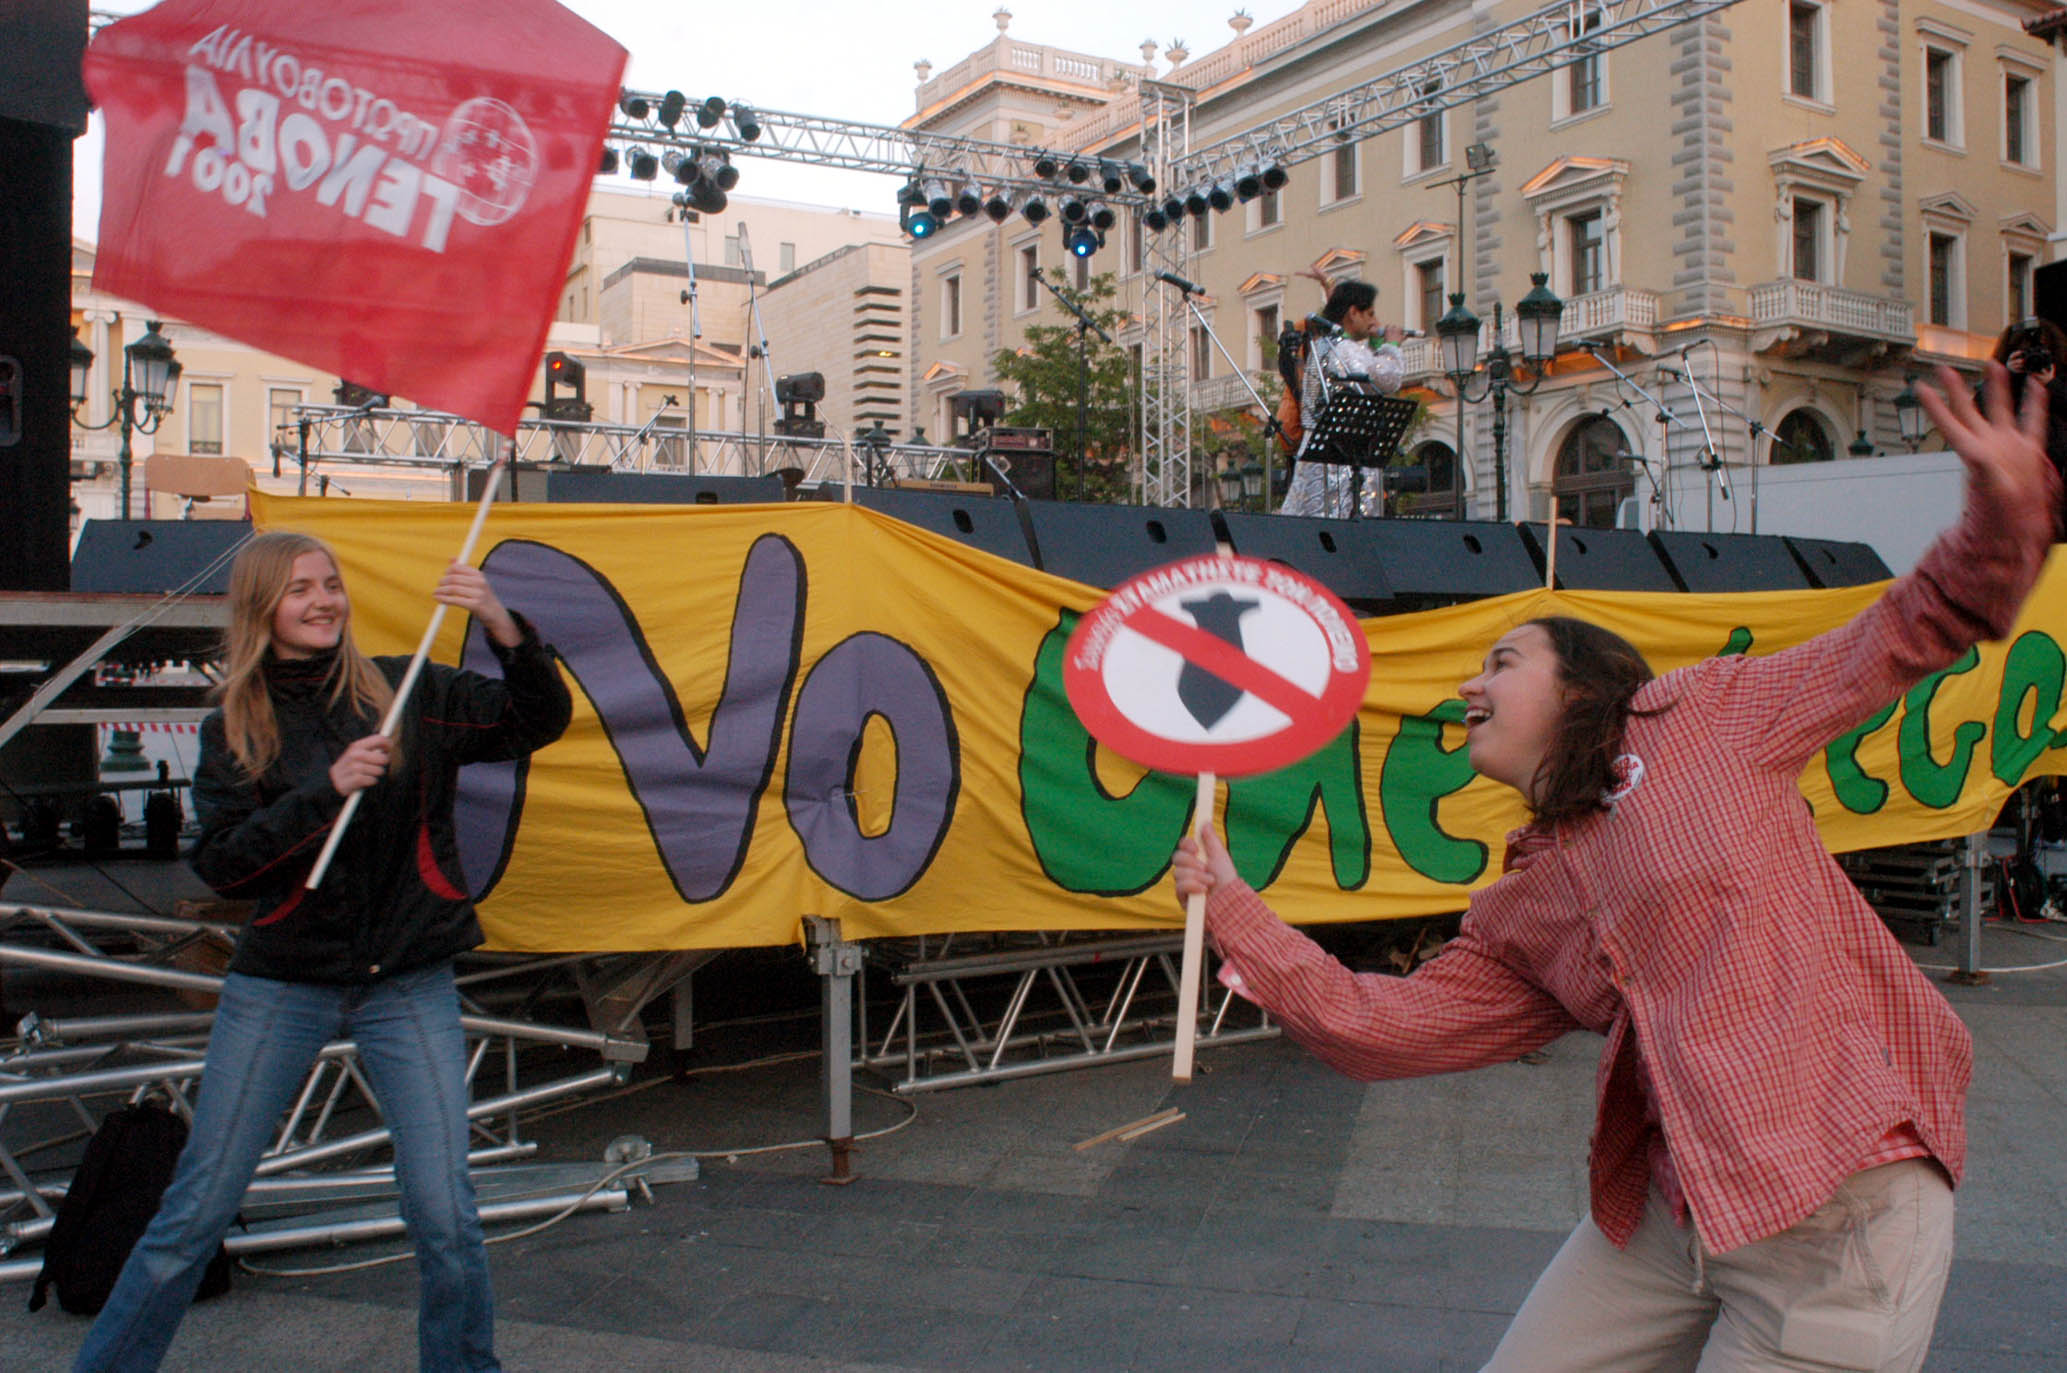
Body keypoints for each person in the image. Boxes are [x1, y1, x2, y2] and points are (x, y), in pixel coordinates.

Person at [1174, 365, 2054, 1371]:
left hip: (1840, 1213)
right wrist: (1234, 907)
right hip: (1672, 1214)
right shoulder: (1525, 898)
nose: (1471, 678)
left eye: (1503, 659)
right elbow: (1379, 1028)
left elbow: (1911, 628)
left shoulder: (1709, 717)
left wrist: (2004, 511)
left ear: (1583, 682)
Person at [74, 531, 573, 1373]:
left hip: (408, 980)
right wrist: (326, 789)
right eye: (300, 588)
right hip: (283, 983)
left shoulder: (405, 689)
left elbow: (536, 720)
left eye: (331, 584)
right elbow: (225, 863)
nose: (322, 600)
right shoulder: (235, 723)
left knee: (445, 1212)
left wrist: (501, 624)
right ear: (262, 607)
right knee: (197, 1209)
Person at [1278, 279, 1408, 518]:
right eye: (1369, 314)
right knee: (1342, 522)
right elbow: (1387, 378)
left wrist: (1375, 346)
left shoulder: (1322, 347)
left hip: (1322, 450)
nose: (1373, 322)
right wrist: (1391, 346)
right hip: (1339, 457)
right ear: (1353, 313)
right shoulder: (1344, 349)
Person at [1983, 317, 2067, 536]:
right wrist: (2006, 376)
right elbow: (1981, 410)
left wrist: (2052, 384)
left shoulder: (2061, 382)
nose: (2033, 361)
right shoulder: (2003, 383)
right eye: (2025, 355)